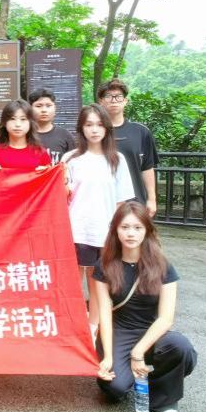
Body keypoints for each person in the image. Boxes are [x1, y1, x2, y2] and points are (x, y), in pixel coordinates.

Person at [94, 202, 197, 412]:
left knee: (181, 347)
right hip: (118, 331)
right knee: (114, 388)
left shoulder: (163, 266)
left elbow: (166, 318)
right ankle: (133, 376)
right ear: (115, 230)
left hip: (151, 331)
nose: (131, 233)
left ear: (147, 230)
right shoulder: (104, 265)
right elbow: (104, 313)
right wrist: (108, 357)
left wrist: (138, 353)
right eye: (125, 227)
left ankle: (163, 398)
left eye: (137, 227)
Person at [62, 104, 134, 338]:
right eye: (89, 124)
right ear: (81, 128)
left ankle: (93, 329)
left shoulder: (117, 160)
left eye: (99, 125)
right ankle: (71, 327)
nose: (94, 130)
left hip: (103, 232)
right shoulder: (70, 159)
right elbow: (61, 195)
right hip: (74, 229)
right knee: (72, 283)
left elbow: (121, 201)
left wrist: (115, 231)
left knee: (98, 283)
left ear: (107, 128)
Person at [97, 79, 159, 216]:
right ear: (101, 101)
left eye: (118, 96)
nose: (114, 100)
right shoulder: (94, 132)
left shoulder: (141, 132)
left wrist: (152, 199)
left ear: (125, 101)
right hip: (102, 202)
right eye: (108, 96)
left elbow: (147, 167)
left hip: (135, 202)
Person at [0, 99, 52, 170]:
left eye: (23, 119)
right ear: (4, 122)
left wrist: (45, 172)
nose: (18, 124)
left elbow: (51, 175)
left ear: (30, 123)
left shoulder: (40, 152)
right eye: (12, 119)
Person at [28, 88, 76, 165]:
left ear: (55, 108)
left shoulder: (65, 136)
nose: (44, 110)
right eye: (38, 106)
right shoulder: (25, 135)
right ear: (30, 109)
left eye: (48, 106)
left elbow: (73, 164)